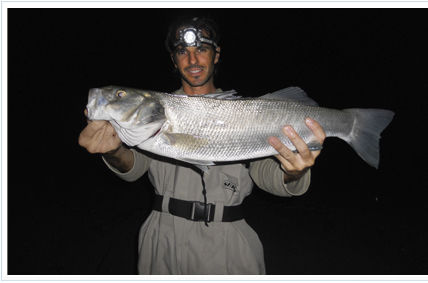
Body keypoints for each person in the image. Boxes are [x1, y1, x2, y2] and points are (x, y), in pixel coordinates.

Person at [78, 16, 326, 275]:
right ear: (174, 60)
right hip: (161, 241)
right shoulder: (155, 116)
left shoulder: (248, 112)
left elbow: (266, 173)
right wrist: (113, 150)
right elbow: (134, 167)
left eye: (202, 50)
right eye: (183, 52)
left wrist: (294, 172)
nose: (193, 60)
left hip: (228, 244)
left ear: (216, 54)